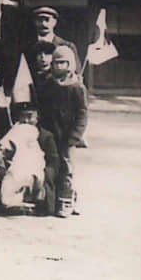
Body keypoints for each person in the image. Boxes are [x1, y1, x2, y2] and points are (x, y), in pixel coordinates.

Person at [38, 44, 88, 217]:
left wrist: (75, 135)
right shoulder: (48, 83)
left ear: (70, 64)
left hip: (68, 134)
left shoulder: (77, 87)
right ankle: (50, 198)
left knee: (67, 167)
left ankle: (66, 200)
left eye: (63, 63)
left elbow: (82, 113)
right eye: (56, 63)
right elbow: (42, 106)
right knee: (53, 165)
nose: (59, 66)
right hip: (51, 131)